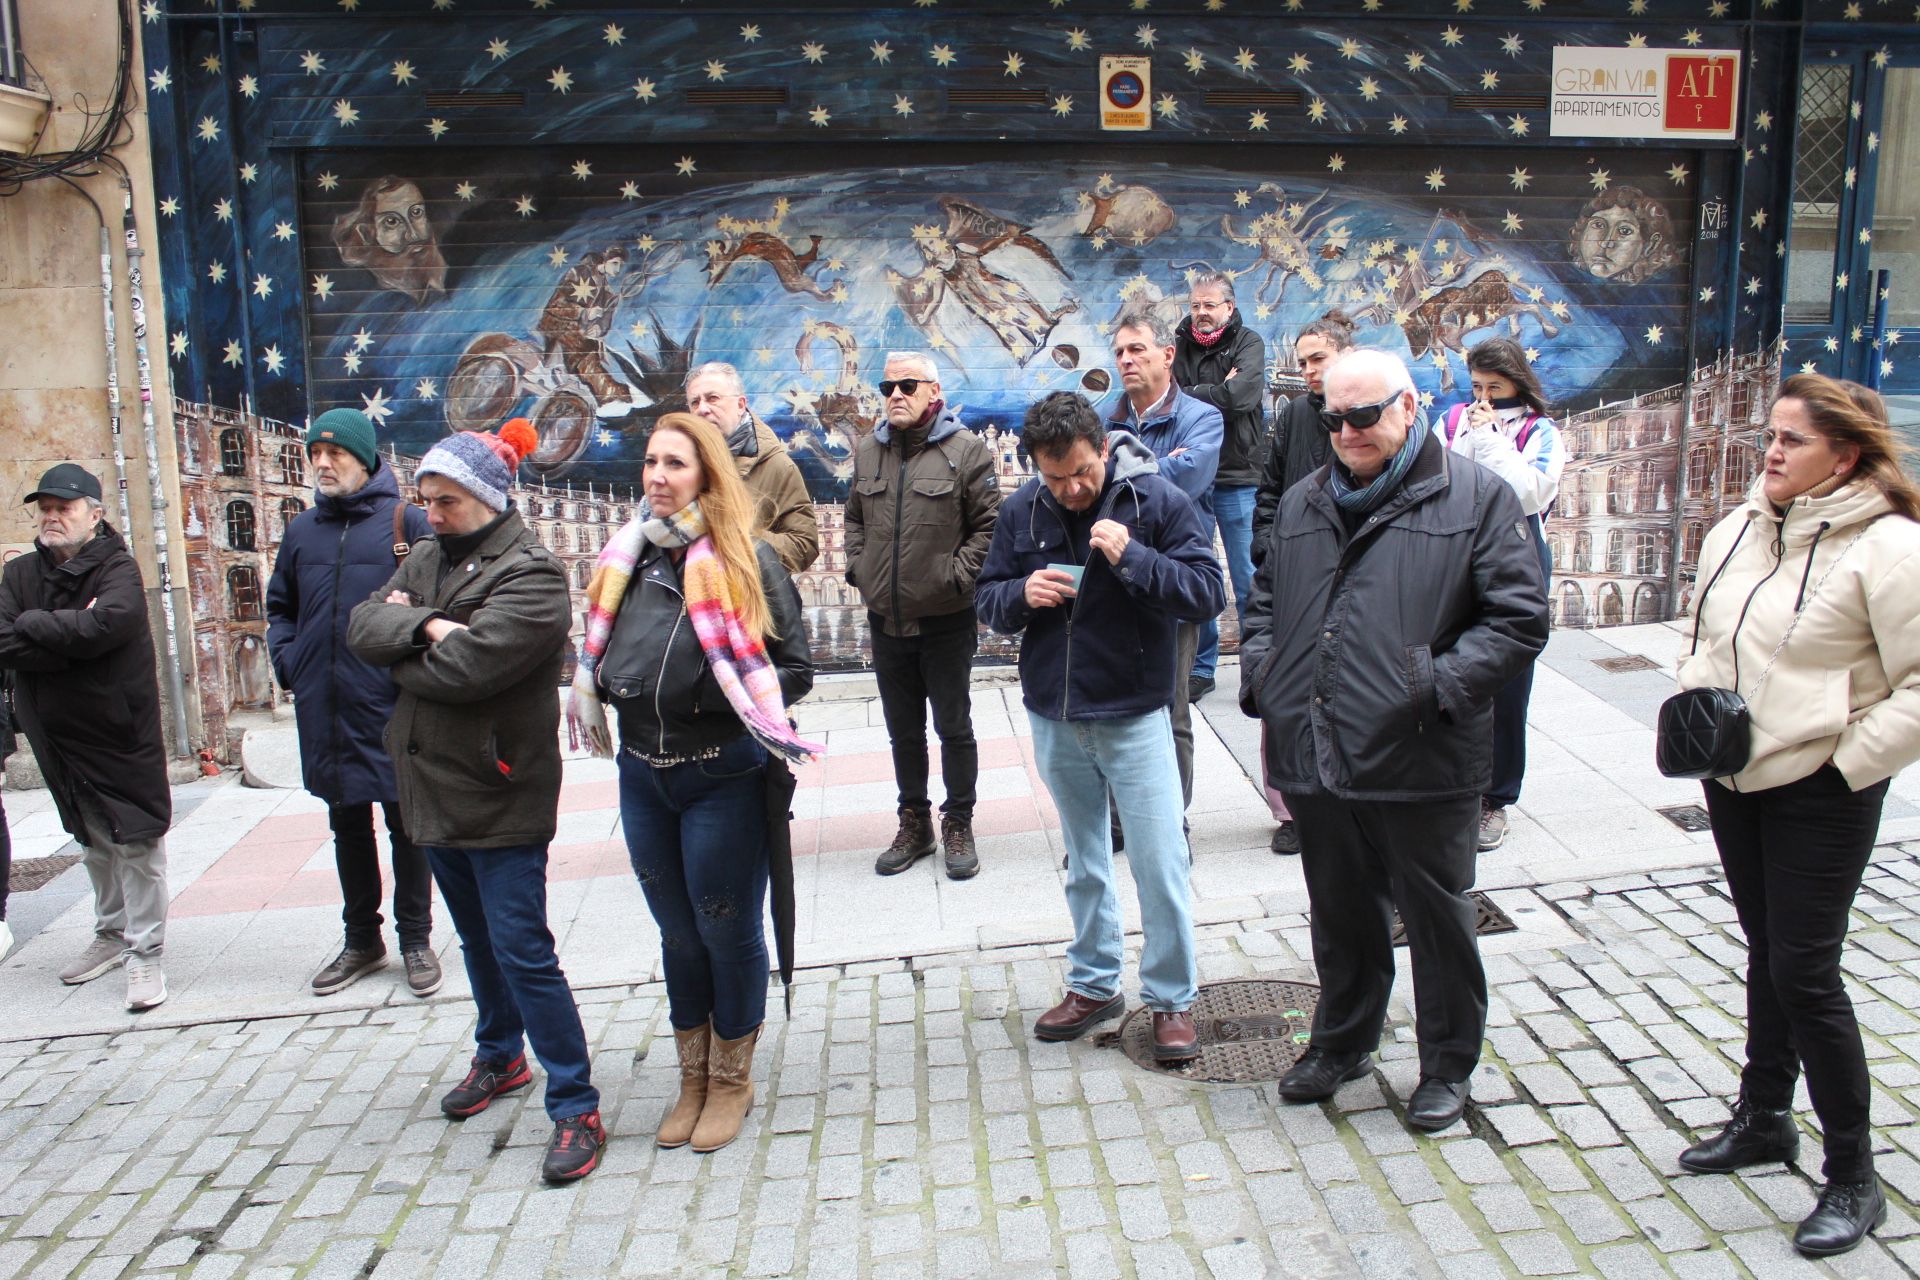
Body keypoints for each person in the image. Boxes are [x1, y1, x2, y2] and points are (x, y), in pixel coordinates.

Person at [1239, 350, 1547, 1132]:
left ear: (1408, 406)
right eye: (1333, 419)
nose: (1346, 433)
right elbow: (1266, 597)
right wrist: (1264, 674)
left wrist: (1431, 687)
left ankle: (1447, 1065)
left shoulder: (1477, 497)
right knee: (1339, 913)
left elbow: (1517, 619)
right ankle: (1342, 1042)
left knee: (1438, 919)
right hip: (1318, 746)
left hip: (1423, 750)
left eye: (1364, 416)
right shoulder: (1307, 500)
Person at [1671, 373, 1920, 1258]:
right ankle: (1765, 1116)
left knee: (1808, 972)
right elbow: (1706, 636)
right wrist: (1695, 704)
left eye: (1792, 441)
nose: (1770, 453)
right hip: (1735, 777)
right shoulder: (1741, 525)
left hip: (1824, 787)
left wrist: (1846, 764)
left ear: (1845, 455)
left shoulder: (1889, 547)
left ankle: (1855, 1173)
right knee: (1767, 953)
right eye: (1770, 435)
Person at [347, 422, 603, 1184]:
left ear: (486, 498)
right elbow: (362, 627)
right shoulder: (426, 556)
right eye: (424, 499)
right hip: (429, 784)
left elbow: (469, 671)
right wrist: (425, 624)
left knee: (523, 946)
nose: (430, 514)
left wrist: (403, 658)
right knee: (477, 938)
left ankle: (575, 1100)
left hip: (498, 788)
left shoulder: (532, 574)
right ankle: (501, 1055)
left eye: (446, 500)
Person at [565, 412, 818, 1154]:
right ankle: (693, 1077)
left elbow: (796, 667)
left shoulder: (748, 561)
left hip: (721, 774)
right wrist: (611, 683)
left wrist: (712, 694)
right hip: (643, 774)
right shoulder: (628, 558)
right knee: (677, 932)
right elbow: (602, 651)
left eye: (674, 464)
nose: (657, 477)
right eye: (650, 462)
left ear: (707, 474)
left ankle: (732, 1079)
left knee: (725, 925)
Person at [975, 392, 1224, 1061]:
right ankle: (1094, 984)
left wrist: (1134, 559)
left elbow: (1208, 594)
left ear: (1104, 452)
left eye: (1082, 472)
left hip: (1136, 712)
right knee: (1084, 861)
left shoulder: (1156, 503)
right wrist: (1018, 596)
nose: (1072, 488)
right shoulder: (1022, 510)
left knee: (1159, 861)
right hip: (1055, 712)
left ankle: (1171, 1000)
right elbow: (988, 598)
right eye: (1055, 477)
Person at [267, 407, 440, 998]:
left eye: (335, 453)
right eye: (314, 452)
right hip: (326, 702)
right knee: (346, 822)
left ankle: (416, 939)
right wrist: (289, 661)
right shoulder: (301, 531)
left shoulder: (407, 522)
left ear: (364, 458)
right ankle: (361, 939)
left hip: (391, 702)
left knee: (407, 823)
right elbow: (280, 608)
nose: (322, 462)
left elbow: (442, 604)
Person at [0, 464, 175, 1011]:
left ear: (94, 515)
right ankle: (109, 933)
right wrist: (62, 628)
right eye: (45, 508)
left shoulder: (117, 568)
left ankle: (145, 954)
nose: (52, 517)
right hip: (55, 733)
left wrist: (34, 624)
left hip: (115, 728)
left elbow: (109, 625)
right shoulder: (19, 574)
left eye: (65, 508)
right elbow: (4, 641)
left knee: (136, 839)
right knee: (92, 839)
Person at [843, 351, 1002, 880]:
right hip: (885, 621)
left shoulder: (966, 451)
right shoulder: (868, 450)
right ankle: (914, 821)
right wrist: (859, 569)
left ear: (935, 392)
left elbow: (989, 527)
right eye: (888, 385)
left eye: (907, 385)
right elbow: (853, 519)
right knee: (902, 731)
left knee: (953, 727)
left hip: (945, 620)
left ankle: (958, 820)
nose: (895, 394)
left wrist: (955, 578)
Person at [1436, 338, 1566, 852]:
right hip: (1457, 551)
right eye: (1477, 387)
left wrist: (1490, 439)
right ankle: (1455, 784)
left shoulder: (1542, 431)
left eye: (1496, 387)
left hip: (1517, 553)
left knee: (1509, 682)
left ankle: (1497, 796)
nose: (1484, 397)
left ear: (1516, 383)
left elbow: (1528, 492)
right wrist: (1470, 435)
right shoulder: (1450, 422)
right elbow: (1441, 479)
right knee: (1453, 668)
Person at [1107, 312, 1222, 829]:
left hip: (1174, 581)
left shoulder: (1202, 417)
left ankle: (1171, 822)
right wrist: (1158, 462)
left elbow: (1184, 484)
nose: (1127, 360)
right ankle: (1116, 820)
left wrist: (1121, 472)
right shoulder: (1103, 419)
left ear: (1167, 355)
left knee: (1171, 710)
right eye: (1119, 353)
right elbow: (1091, 489)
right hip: (1113, 584)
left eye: (1137, 349)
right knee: (1110, 709)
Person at [1252, 310, 1353, 855]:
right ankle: (1290, 808)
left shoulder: (1365, 415)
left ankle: (1345, 790)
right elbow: (1269, 488)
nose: (1310, 370)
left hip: (1351, 570)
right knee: (1286, 689)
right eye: (1304, 361)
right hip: (1295, 568)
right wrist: (1268, 548)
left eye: (1319, 359)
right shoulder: (1293, 415)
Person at [1173, 271, 1266, 704]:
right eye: (1195, 305)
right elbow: (1173, 399)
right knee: (1199, 577)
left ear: (1229, 307)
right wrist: (1218, 389)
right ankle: (1202, 668)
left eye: (1210, 305)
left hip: (1237, 477)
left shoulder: (1249, 342)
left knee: (1248, 581)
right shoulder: (1178, 344)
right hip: (1193, 478)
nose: (1202, 313)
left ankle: (1257, 670)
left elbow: (1242, 397)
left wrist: (1198, 393)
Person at [684, 361, 821, 573]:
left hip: (749, 600)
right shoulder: (678, 463)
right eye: (695, 402)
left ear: (740, 405)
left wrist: (738, 537)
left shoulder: (777, 466)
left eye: (713, 398)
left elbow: (803, 547)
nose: (702, 409)